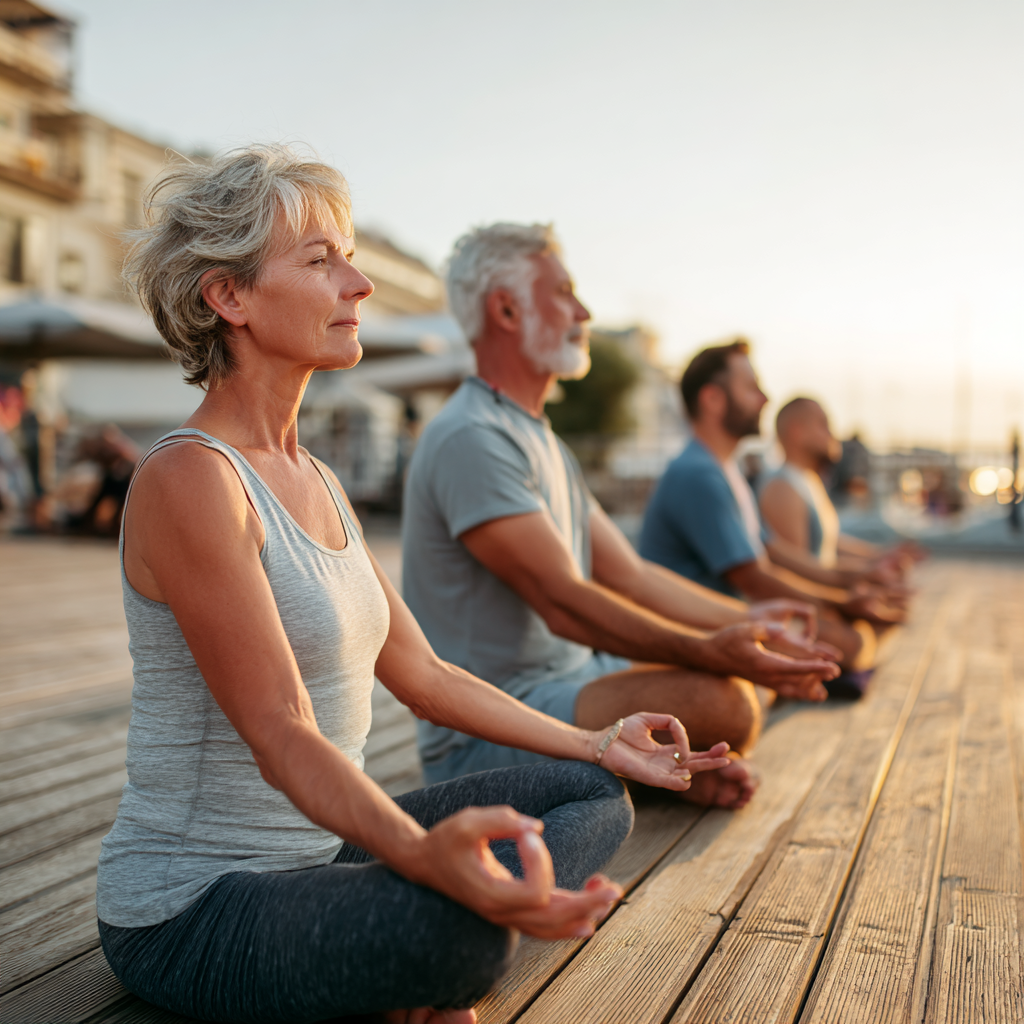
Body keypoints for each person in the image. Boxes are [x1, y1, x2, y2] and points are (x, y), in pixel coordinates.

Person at [96, 146, 733, 1024]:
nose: (357, 284)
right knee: (465, 940)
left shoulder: (314, 478)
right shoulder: (191, 480)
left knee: (592, 796)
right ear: (228, 296)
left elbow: (427, 679)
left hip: (325, 859)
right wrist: (420, 855)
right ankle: (426, 946)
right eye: (322, 261)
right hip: (195, 908)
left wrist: (597, 742)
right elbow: (282, 730)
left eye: (350, 256)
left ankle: (410, 949)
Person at [402, 224, 841, 812]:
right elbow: (563, 601)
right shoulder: (471, 437)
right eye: (563, 292)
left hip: (575, 683)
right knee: (729, 704)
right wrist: (712, 650)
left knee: (746, 689)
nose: (583, 311)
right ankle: (649, 765)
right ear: (505, 309)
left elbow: (632, 575)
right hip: (493, 727)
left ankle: (655, 767)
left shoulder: (541, 440)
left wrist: (750, 624)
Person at [640, 340, 907, 693]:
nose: (765, 398)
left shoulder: (725, 470)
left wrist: (856, 582)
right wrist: (842, 599)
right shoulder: (697, 474)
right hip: (698, 631)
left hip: (733, 619)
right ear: (713, 400)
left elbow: (773, 551)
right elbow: (755, 579)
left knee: (861, 634)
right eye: (751, 388)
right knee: (856, 644)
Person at [759, 397, 922, 583]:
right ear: (797, 432)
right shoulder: (782, 489)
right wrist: (865, 576)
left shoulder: (806, 481)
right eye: (823, 425)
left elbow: (827, 542)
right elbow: (798, 573)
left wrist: (879, 556)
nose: (833, 434)